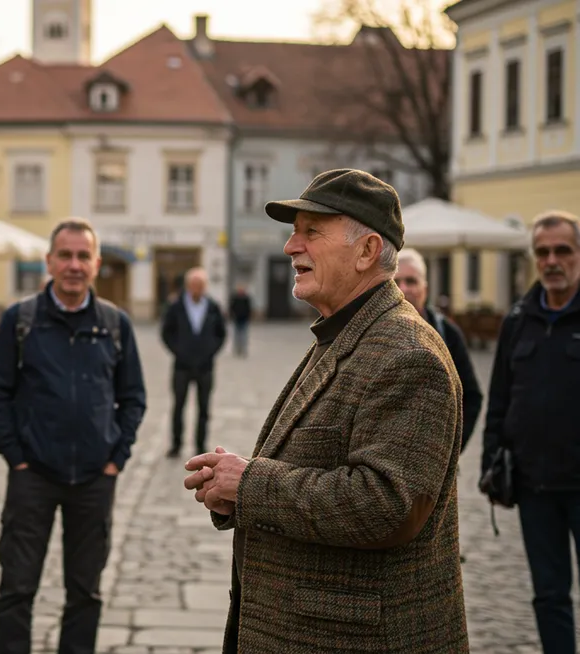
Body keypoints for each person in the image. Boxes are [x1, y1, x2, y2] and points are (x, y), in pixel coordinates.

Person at [183, 169, 468, 653]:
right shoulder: (347, 332)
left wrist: (250, 483)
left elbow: (384, 506)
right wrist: (234, 488)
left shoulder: (408, 353)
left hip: (361, 637)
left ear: (366, 251)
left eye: (311, 231)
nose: (292, 246)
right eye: (295, 231)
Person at [0, 217, 147, 654]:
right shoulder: (21, 320)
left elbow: (133, 398)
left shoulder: (115, 324)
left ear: (95, 263)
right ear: (49, 262)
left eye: (83, 256)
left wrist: (117, 458)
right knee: (17, 588)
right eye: (65, 255)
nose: (74, 264)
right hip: (32, 474)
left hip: (95, 477)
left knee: (85, 591)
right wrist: (15, 455)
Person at [482, 210, 580, 654]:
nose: (552, 260)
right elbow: (499, 399)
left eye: (563, 250)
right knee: (548, 593)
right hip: (534, 484)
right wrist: (490, 462)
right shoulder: (518, 319)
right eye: (543, 252)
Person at [396, 248, 484, 450]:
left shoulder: (447, 333)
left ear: (425, 288)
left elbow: (471, 396)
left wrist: (451, 450)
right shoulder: (374, 332)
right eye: (396, 282)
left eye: (411, 281)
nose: (404, 288)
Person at [160, 267, 226, 459]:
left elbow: (221, 334)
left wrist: (210, 352)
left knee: (204, 408)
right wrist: (178, 351)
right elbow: (166, 333)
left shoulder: (213, 307)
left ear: (205, 287)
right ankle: (176, 444)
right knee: (178, 405)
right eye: (194, 285)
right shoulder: (176, 306)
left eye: (201, 285)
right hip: (182, 367)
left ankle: (200, 444)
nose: (197, 288)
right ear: (188, 286)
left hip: (205, 367)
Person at [228, 284, 252, 357]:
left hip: (244, 319)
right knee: (236, 335)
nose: (240, 290)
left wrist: (248, 316)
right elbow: (232, 307)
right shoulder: (235, 298)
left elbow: (249, 308)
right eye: (239, 289)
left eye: (242, 289)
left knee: (244, 335)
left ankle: (243, 349)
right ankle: (237, 349)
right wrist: (232, 315)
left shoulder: (246, 298)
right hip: (237, 318)